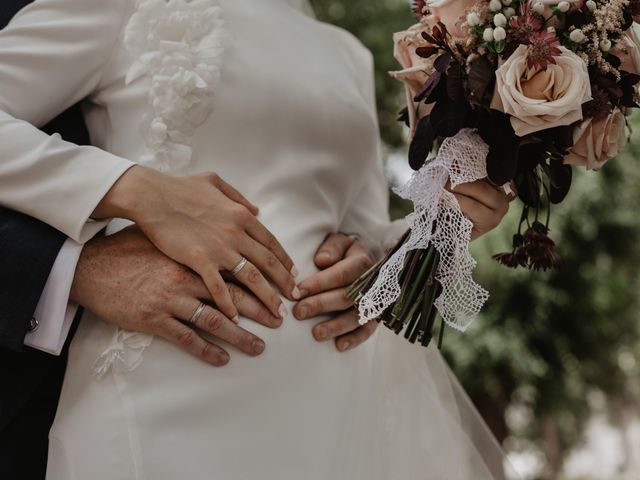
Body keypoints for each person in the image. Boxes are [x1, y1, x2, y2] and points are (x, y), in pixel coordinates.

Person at [0, 0, 513, 478]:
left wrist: (433, 228)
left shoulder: (347, 52)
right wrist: (135, 189)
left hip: (333, 399)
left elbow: (357, 232)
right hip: (170, 388)